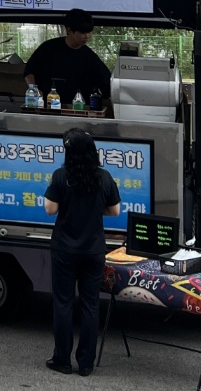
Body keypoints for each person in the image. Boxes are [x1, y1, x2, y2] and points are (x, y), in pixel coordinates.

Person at [44, 129, 121, 376]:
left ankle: (62, 360)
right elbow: (115, 211)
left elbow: (50, 210)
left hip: (64, 249)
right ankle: (86, 363)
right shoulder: (104, 177)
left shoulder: (60, 177)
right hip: (93, 250)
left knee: (63, 304)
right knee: (90, 306)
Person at [24, 8, 111, 107]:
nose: (87, 36)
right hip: (49, 108)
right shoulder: (48, 48)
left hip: (78, 110)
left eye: (89, 32)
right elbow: (29, 71)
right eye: (82, 32)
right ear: (69, 29)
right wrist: (34, 89)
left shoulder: (89, 56)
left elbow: (106, 81)